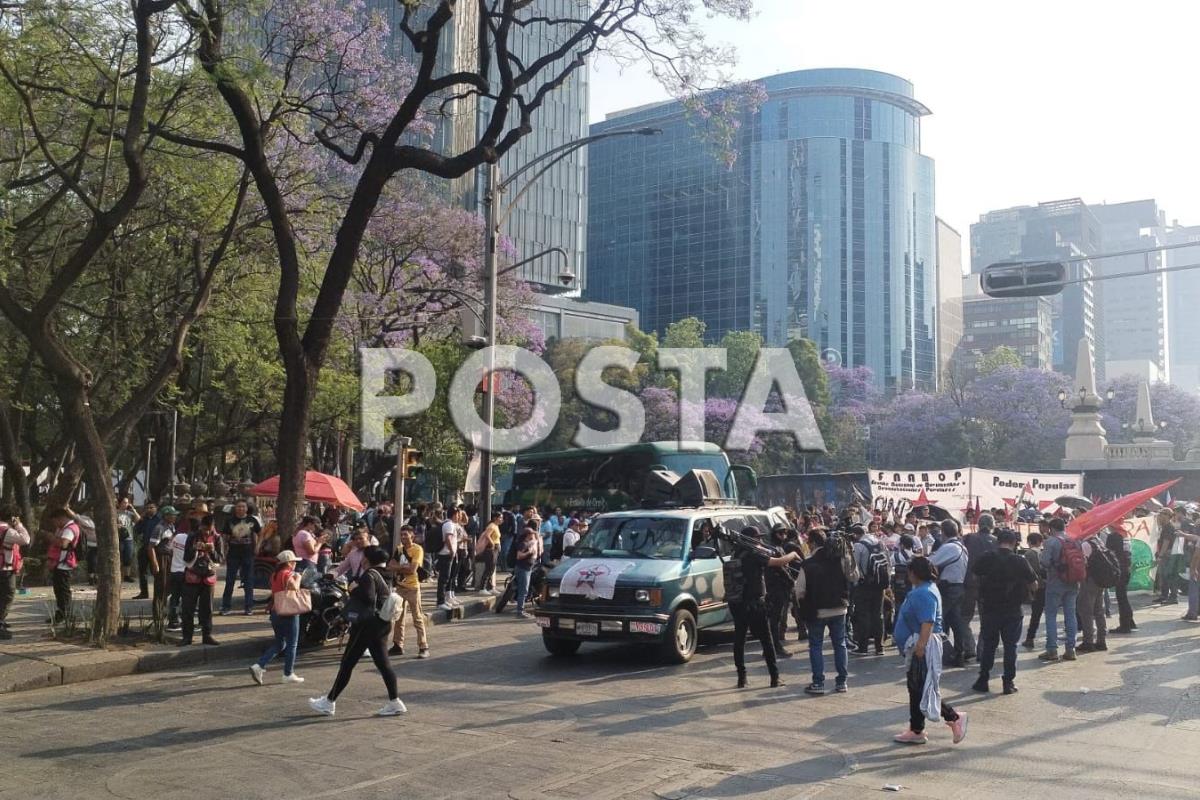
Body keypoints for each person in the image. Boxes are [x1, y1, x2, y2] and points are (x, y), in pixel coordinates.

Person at [309, 547, 407, 717]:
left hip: (365, 625)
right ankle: (395, 701)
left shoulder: (369, 575)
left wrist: (353, 589)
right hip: (382, 623)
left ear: (366, 560)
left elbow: (368, 597)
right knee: (383, 665)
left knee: (347, 663)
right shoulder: (388, 574)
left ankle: (329, 702)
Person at [892, 556, 968, 746]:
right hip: (919, 643)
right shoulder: (923, 589)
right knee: (916, 687)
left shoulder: (924, 592)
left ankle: (954, 717)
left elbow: (928, 621)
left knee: (922, 687)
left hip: (923, 643)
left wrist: (921, 646)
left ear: (914, 573)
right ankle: (916, 729)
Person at [727, 526, 801, 689]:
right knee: (767, 641)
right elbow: (777, 562)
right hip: (754, 603)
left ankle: (742, 678)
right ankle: (775, 678)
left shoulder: (737, 552)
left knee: (739, 641)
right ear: (751, 539)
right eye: (757, 538)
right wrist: (793, 555)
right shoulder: (753, 553)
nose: (760, 541)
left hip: (737, 603)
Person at [971, 528, 1037, 694]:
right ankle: (1008, 682)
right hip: (1013, 610)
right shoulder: (1019, 560)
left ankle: (983, 679)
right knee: (1010, 647)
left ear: (997, 541)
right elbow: (1034, 584)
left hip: (990, 608)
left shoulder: (987, 557)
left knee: (989, 645)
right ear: (1014, 543)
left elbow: (974, 574)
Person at [796, 528, 856, 695]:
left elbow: (799, 591)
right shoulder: (840, 559)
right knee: (840, 644)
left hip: (817, 612)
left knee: (816, 645)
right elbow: (854, 576)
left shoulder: (807, 563)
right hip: (839, 608)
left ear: (813, 543)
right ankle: (842, 682)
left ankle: (818, 683)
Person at [250, 550, 306, 685]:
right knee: (292, 643)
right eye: (293, 562)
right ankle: (288, 673)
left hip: (276, 611)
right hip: (289, 612)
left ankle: (259, 665)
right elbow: (294, 588)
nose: (294, 564)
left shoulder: (274, 575)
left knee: (280, 643)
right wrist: (298, 577)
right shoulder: (289, 574)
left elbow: (275, 592)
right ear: (288, 563)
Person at [928, 519, 970, 667]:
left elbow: (931, 562)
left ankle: (940, 652)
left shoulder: (950, 547)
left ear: (943, 532)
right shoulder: (960, 546)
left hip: (948, 588)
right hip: (957, 587)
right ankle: (958, 653)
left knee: (938, 620)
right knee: (955, 621)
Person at [1039, 517, 1080, 663]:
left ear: (1051, 528)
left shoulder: (1050, 541)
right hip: (1073, 582)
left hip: (1055, 582)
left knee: (1051, 615)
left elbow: (1044, 562)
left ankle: (1052, 650)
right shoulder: (1074, 540)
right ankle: (1071, 649)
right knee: (1070, 614)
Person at [960, 513, 998, 660]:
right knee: (986, 619)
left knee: (964, 618)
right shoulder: (996, 541)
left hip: (969, 582)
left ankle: (969, 646)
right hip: (989, 586)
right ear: (992, 525)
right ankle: (982, 651)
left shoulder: (968, 539)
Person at [180, 515, 222, 646]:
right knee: (187, 608)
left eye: (209, 529)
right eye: (205, 529)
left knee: (207, 609)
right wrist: (194, 549)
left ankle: (207, 635)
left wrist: (213, 550)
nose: (207, 532)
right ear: (201, 526)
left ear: (213, 527)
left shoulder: (217, 538)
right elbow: (186, 558)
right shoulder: (192, 536)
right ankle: (187, 636)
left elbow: (220, 559)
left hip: (208, 576)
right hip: (192, 576)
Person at [388, 526, 429, 658]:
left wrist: (399, 568)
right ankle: (397, 645)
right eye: (402, 535)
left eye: (406, 534)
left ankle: (423, 647)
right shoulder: (399, 549)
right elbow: (390, 566)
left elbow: (412, 570)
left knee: (417, 618)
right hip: (400, 587)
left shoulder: (418, 549)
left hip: (413, 588)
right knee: (398, 618)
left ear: (412, 536)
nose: (403, 537)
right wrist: (402, 567)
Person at [850, 523, 889, 657]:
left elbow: (855, 568)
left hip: (864, 585)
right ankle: (880, 647)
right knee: (878, 614)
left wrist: (854, 583)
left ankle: (863, 647)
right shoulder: (880, 542)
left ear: (855, 535)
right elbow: (888, 562)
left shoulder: (858, 546)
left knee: (863, 615)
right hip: (879, 585)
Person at [218, 500, 260, 616]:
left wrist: (257, 546)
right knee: (230, 580)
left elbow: (259, 533)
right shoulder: (230, 521)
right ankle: (226, 606)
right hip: (233, 554)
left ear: (246, 508)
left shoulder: (252, 520)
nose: (241, 508)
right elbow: (225, 537)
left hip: (248, 553)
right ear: (235, 508)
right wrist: (223, 552)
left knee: (248, 580)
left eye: (243, 506)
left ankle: (248, 607)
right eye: (238, 506)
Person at [765, 525, 801, 659]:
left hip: (779, 588)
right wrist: (791, 581)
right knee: (775, 620)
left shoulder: (778, 548)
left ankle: (771, 647)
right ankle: (775, 647)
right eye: (780, 533)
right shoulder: (772, 549)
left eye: (785, 533)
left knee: (775, 620)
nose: (783, 536)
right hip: (775, 589)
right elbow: (780, 568)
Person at [1077, 535, 1112, 653]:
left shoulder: (1085, 544)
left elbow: (1083, 563)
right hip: (1100, 580)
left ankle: (1088, 642)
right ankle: (1101, 641)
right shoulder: (1099, 541)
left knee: (1086, 611)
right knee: (1099, 611)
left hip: (1089, 580)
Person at [0, 507, 31, 639]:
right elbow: (26, 539)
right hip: (4, 569)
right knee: (8, 595)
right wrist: (19, 525)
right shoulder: (7, 531)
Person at [46, 508, 80, 624]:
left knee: (63, 591)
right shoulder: (62, 528)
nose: (55, 524)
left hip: (64, 564)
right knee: (59, 591)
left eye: (55, 521)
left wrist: (50, 537)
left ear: (60, 518)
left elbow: (63, 543)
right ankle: (62, 613)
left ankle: (64, 614)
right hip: (58, 563)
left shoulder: (69, 529)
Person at [1022, 531, 1049, 648]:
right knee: (1050, 613)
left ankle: (1030, 638)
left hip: (1036, 587)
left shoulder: (1028, 554)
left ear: (1029, 542)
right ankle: (1050, 638)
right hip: (1048, 586)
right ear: (1040, 542)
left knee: (1036, 614)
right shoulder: (1044, 552)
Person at [167, 514, 191, 631]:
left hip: (174, 571)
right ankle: (185, 621)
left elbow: (170, 549)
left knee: (174, 598)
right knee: (186, 599)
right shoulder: (192, 540)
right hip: (184, 572)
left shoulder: (177, 537)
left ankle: (173, 622)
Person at [132, 501, 159, 599]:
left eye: (152, 507)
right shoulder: (145, 519)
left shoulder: (159, 519)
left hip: (156, 548)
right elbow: (136, 530)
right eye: (147, 508)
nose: (149, 509)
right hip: (145, 546)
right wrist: (140, 520)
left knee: (156, 571)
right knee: (142, 571)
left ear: (156, 508)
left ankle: (158, 593)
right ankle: (144, 592)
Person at [513, 526, 541, 618]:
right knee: (523, 590)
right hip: (523, 569)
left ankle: (520, 610)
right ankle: (519, 611)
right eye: (531, 533)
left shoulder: (527, 543)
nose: (533, 535)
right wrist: (529, 553)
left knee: (524, 590)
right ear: (527, 535)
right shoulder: (523, 544)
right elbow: (519, 556)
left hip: (527, 568)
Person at [436, 510, 461, 610]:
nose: (459, 517)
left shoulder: (449, 524)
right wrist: (451, 551)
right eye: (458, 515)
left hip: (447, 553)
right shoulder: (449, 524)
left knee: (448, 577)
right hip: (446, 554)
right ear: (454, 515)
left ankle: (445, 599)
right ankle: (440, 601)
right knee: (444, 578)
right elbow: (448, 538)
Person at [475, 511, 502, 595]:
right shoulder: (492, 526)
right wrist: (492, 544)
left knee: (492, 568)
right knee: (489, 568)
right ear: (495, 518)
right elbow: (487, 535)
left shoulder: (496, 526)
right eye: (500, 517)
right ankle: (482, 588)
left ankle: (490, 587)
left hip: (495, 548)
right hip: (491, 549)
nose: (501, 519)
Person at [115, 496, 139, 583]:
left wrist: (133, 509)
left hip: (129, 538)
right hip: (119, 537)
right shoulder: (115, 513)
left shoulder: (129, 513)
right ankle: (118, 574)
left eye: (127, 502)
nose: (126, 504)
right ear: (119, 503)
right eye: (124, 502)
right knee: (119, 556)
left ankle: (127, 575)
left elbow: (139, 519)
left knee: (128, 557)